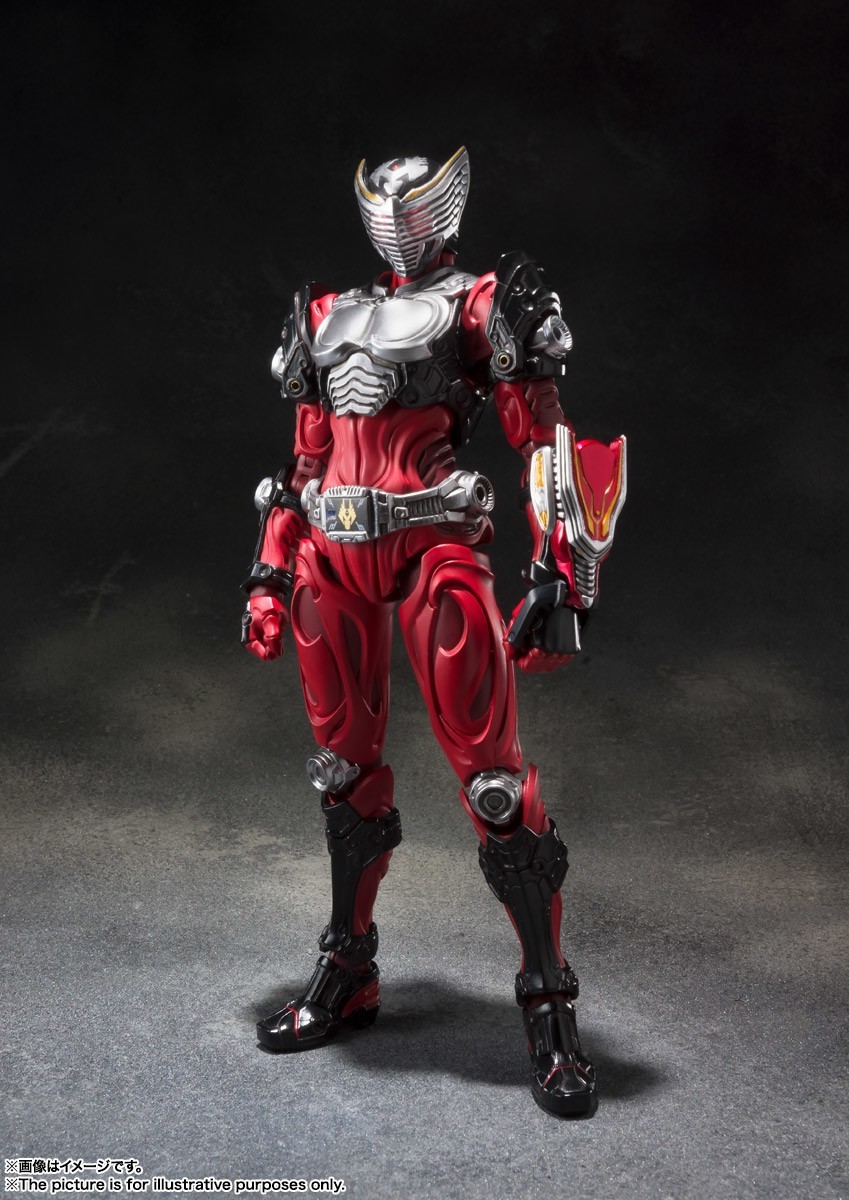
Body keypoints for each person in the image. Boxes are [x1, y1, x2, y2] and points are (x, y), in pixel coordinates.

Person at [240, 148, 626, 1117]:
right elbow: (303, 460)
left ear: (447, 202)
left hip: (434, 548)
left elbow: (543, 440)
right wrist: (269, 570)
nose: (396, 216)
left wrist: (559, 578)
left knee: (493, 783)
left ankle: (548, 1002)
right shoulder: (325, 314)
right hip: (330, 556)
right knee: (341, 771)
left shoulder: (483, 304)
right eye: (382, 200)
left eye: (414, 201)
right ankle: (349, 967)